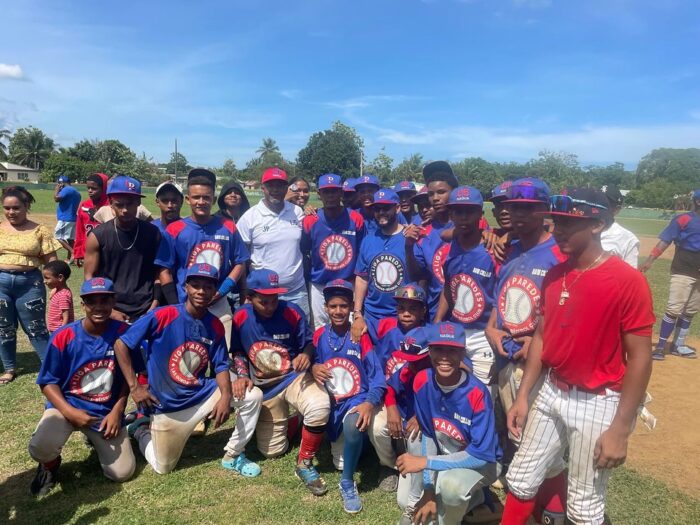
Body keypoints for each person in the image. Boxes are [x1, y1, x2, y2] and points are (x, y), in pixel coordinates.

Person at [502, 189, 654, 525]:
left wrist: (621, 429)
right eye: (556, 223)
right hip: (551, 390)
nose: (559, 230)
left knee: (584, 506)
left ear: (597, 224)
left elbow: (641, 359)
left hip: (597, 400)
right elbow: (542, 337)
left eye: (570, 224)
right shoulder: (556, 274)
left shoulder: (627, 281)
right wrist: (524, 396)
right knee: (520, 478)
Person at [114, 263, 234, 475]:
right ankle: (140, 429)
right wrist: (135, 387)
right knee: (163, 467)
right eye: (195, 285)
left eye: (208, 287)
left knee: (251, 395)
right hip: (166, 405)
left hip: (198, 393)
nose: (201, 291)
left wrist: (226, 396)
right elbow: (121, 344)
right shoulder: (163, 315)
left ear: (215, 291)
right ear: (185, 287)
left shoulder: (214, 324)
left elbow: (222, 364)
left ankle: (235, 453)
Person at [28, 277, 135, 495]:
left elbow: (129, 378)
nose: (98, 307)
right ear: (82, 304)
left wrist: (118, 410)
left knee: (122, 473)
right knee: (40, 448)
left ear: (113, 302)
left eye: (104, 300)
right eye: (92, 301)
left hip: (104, 412)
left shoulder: (124, 333)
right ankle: (50, 465)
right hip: (67, 407)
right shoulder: (64, 336)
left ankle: (100, 436)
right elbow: (48, 382)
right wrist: (70, 412)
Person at [230, 269, 330, 495]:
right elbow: (237, 351)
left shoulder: (292, 312)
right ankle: (295, 422)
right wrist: (243, 375)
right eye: (263, 301)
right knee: (273, 451)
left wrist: (305, 354)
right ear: (250, 297)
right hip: (264, 385)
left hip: (293, 377)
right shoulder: (241, 316)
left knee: (319, 406)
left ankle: (304, 463)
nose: (270, 306)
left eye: (274, 299)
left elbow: (309, 343)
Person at [396, 322, 501, 525]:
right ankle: (471, 500)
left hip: (484, 462)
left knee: (450, 487)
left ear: (462, 354)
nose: (444, 357)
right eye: (438, 349)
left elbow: (480, 455)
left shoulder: (477, 394)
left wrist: (426, 462)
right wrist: (428, 490)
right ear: (429, 352)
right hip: (447, 452)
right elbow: (428, 434)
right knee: (404, 499)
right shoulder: (422, 381)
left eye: (452, 350)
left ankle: (460, 509)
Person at [311, 279, 392, 513]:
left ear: (351, 308)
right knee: (340, 460)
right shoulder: (319, 335)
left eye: (344, 306)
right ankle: (363, 444)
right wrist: (313, 368)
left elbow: (377, 378)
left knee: (352, 425)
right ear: (325, 308)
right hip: (333, 402)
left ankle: (347, 483)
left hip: (357, 398)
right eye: (333, 306)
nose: (338, 311)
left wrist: (369, 403)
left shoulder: (360, 335)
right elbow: (313, 361)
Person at [156, 168, 249, 342]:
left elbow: (240, 262)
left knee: (224, 351)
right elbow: (164, 270)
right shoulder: (175, 230)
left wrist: (222, 291)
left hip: (218, 302)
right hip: (185, 301)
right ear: (187, 199)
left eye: (206, 197)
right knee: (186, 353)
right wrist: (175, 304)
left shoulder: (228, 226)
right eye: (196, 197)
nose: (201, 202)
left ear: (213, 200)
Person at [435, 186, 497, 387]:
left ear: (480, 213)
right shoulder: (450, 248)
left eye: (469, 211)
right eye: (458, 212)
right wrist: (437, 321)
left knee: (484, 392)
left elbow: (500, 297)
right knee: (454, 389)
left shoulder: (492, 250)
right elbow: (448, 287)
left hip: (483, 334)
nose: (463, 217)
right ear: (451, 214)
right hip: (456, 330)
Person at [0, 186, 60, 383]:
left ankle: (49, 368)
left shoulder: (40, 230)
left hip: (29, 285)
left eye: (16, 208)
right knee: (4, 328)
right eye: (7, 208)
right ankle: (9, 368)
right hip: (1, 284)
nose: (11, 212)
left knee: (36, 328)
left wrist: (56, 286)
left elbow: (51, 261)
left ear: (26, 206)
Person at [84, 175, 162, 322]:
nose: (125, 210)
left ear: (138, 202)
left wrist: (155, 303)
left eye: (130, 204)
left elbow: (159, 272)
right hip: (111, 308)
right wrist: (110, 311)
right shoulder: (98, 236)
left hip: (147, 308)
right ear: (110, 203)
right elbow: (89, 277)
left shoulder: (152, 233)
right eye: (119, 204)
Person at [236, 167, 310, 317]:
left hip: (296, 292)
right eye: (271, 185)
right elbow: (241, 259)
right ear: (263, 188)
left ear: (286, 188)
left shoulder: (297, 212)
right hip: (263, 295)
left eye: (280, 185)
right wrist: (245, 292)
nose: (275, 189)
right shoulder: (249, 217)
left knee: (301, 332)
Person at [640, 188, 700, 360]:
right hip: (683, 269)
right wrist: (650, 260)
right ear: (698, 202)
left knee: (690, 310)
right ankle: (660, 347)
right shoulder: (684, 219)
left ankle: (678, 345)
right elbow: (665, 240)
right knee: (674, 309)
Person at [302, 173, 365, 330]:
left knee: (350, 329)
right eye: (326, 192)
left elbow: (361, 252)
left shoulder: (355, 218)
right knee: (320, 329)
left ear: (341, 192)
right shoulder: (311, 220)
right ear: (319, 194)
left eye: (334, 191)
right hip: (319, 283)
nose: (330, 196)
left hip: (347, 282)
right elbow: (304, 249)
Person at [386, 326, 432, 523]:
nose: (410, 365)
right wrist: (391, 407)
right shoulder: (409, 369)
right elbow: (390, 387)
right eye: (408, 360)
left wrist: (422, 417)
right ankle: (415, 497)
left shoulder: (442, 372)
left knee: (416, 436)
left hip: (442, 438)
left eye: (416, 361)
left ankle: (419, 501)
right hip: (415, 441)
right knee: (402, 501)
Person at [352, 189, 410, 343]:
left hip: (402, 316)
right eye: (377, 209)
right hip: (372, 316)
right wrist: (357, 313)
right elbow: (362, 278)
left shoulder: (409, 238)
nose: (381, 213)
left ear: (397, 208)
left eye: (386, 208)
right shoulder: (368, 240)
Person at [405, 161, 459, 320]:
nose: (435, 198)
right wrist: (408, 247)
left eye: (441, 192)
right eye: (431, 194)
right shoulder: (423, 232)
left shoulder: (471, 225)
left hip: (468, 313)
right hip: (435, 313)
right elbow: (417, 275)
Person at [375, 284, 428, 379]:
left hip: (414, 385)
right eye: (401, 308)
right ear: (396, 309)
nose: (406, 314)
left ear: (422, 311)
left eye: (413, 309)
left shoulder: (429, 334)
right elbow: (362, 328)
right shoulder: (386, 325)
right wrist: (359, 319)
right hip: (384, 383)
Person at [73, 173, 109, 268]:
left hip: (107, 252)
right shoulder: (84, 205)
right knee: (90, 276)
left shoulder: (111, 205)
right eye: (88, 188)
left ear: (104, 188)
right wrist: (78, 252)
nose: (90, 191)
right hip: (89, 252)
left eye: (94, 188)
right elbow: (80, 231)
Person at [601, 185, 639, 268]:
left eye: (604, 203)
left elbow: (629, 274)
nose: (598, 206)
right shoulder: (578, 229)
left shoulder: (628, 239)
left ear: (616, 209)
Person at [53, 175, 81, 262]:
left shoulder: (67, 189)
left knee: (58, 237)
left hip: (65, 218)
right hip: (72, 218)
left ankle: (73, 252)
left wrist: (56, 190)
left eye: (59, 183)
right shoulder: (75, 191)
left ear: (62, 183)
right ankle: (69, 259)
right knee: (70, 239)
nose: (58, 185)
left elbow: (57, 199)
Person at [43, 260, 74, 334]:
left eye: (47, 278)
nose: (44, 281)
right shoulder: (59, 291)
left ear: (60, 277)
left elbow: (66, 316)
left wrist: (62, 332)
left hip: (59, 331)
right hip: (56, 330)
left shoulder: (63, 295)